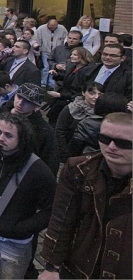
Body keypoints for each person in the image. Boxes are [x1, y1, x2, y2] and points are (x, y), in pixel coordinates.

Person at [39, 112, 132, 280]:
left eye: (123, 143)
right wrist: (52, 266)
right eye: (104, 138)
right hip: (79, 268)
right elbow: (62, 219)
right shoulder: (78, 169)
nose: (111, 147)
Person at [0, 112, 57, 279]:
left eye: (8, 135)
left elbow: (52, 209)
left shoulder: (38, 170)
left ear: (21, 138)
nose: (1, 138)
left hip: (13, 244)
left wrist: (22, 228)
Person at [54, 81, 102, 163]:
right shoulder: (71, 108)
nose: (96, 97)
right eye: (92, 93)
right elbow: (59, 130)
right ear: (83, 93)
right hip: (69, 151)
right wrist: (64, 153)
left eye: (99, 94)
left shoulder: (102, 111)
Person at [34, 19, 68, 89]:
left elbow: (65, 39)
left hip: (56, 51)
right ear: (47, 24)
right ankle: (43, 83)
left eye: (54, 26)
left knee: (54, 68)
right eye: (51, 26)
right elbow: (38, 40)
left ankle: (51, 84)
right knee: (45, 67)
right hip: (45, 51)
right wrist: (38, 52)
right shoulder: (41, 29)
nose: (52, 28)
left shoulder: (62, 29)